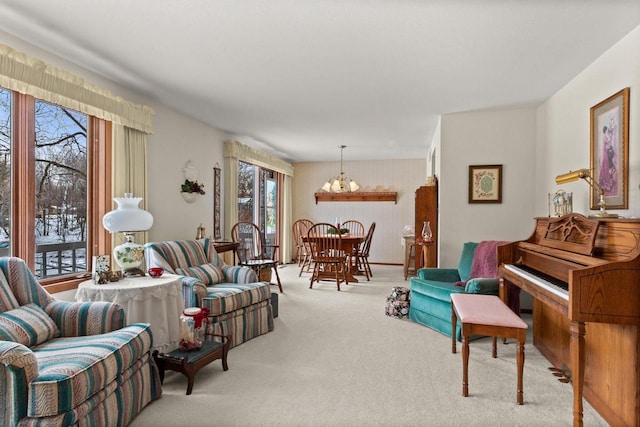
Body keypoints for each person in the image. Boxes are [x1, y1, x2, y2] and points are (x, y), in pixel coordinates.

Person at [599, 125, 617, 196]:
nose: (607, 132)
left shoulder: (605, 137)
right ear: (604, 131)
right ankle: (606, 181)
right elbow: (606, 147)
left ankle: (607, 179)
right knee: (605, 167)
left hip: (605, 154)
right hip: (605, 154)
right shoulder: (604, 138)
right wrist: (609, 141)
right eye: (606, 131)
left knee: (606, 168)